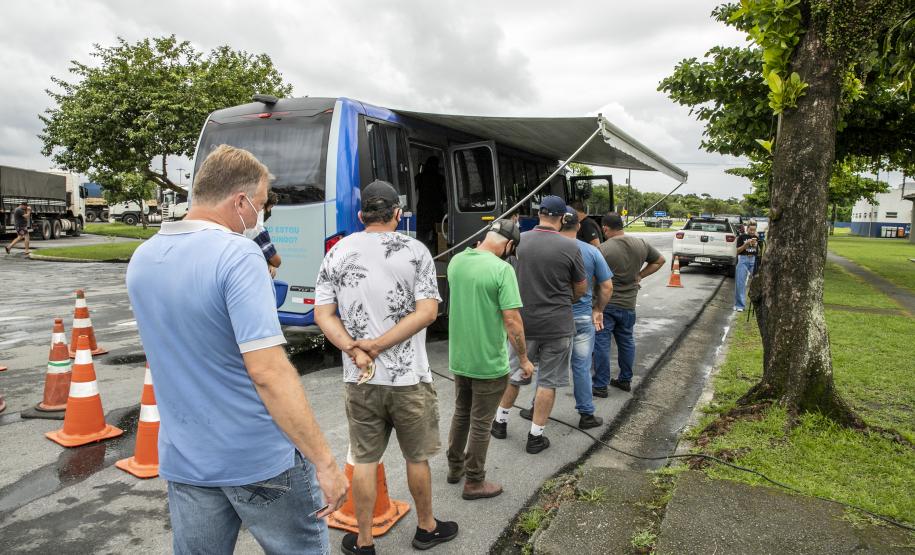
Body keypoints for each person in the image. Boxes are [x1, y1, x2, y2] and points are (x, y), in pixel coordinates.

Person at [127, 145, 348, 555]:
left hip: (186, 458)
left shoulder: (143, 258)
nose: (260, 217)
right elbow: (268, 372)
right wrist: (325, 461)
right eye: (261, 206)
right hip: (257, 458)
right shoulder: (239, 254)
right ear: (241, 201)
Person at [314, 180, 457, 554]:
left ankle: (363, 541)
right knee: (416, 456)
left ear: (361, 215)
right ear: (397, 213)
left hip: (360, 378)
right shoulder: (415, 251)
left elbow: (322, 313)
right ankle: (426, 528)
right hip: (409, 377)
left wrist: (355, 349)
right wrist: (377, 346)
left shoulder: (338, 252)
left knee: (364, 459)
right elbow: (427, 312)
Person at [490, 195, 587, 455]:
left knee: (515, 372)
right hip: (557, 325)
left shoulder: (519, 242)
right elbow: (581, 287)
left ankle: (499, 422)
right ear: (563, 218)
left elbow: (505, 276)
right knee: (548, 381)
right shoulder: (570, 247)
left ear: (539, 213)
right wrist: (567, 299)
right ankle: (535, 436)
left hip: (522, 323)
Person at [446, 219, 533, 500]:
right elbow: (512, 321)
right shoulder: (502, 269)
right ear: (509, 245)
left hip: (461, 358)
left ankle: (454, 467)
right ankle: (474, 481)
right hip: (488, 362)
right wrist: (523, 358)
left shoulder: (456, 262)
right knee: (482, 422)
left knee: (461, 412)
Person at [592, 212, 666, 395]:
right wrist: (639, 275)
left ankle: (600, 385)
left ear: (605, 228)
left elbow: (593, 278)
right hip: (628, 304)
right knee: (626, 341)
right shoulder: (640, 244)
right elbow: (660, 260)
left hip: (606, 305)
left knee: (601, 343)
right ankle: (625, 379)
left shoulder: (603, 249)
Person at [558, 206, 612, 428]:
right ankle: (586, 415)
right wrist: (598, 309)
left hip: (555, 318)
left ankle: (535, 408)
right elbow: (607, 286)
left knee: (549, 367)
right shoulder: (591, 252)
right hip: (582, 317)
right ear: (579, 226)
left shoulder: (548, 248)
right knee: (581, 366)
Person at [415, 156, 447, 254]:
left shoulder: (419, 177)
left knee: (421, 236)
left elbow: (412, 191)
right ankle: (441, 257)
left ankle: (420, 255)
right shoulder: (440, 179)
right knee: (440, 234)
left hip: (422, 210)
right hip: (437, 210)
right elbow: (444, 196)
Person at [251, 191, 282, 278]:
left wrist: (269, 264)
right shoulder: (257, 230)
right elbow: (277, 261)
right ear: (263, 207)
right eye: (270, 207)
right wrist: (272, 263)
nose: (269, 212)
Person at [734, 221, 761, 312]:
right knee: (740, 283)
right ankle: (740, 305)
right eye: (751, 230)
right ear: (747, 228)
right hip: (743, 259)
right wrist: (746, 245)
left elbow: (759, 252)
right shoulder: (742, 237)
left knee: (758, 281)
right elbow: (737, 251)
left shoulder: (756, 237)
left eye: (754, 230)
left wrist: (757, 245)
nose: (752, 232)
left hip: (753, 259)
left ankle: (757, 302)